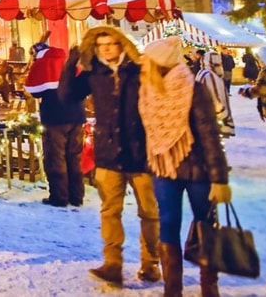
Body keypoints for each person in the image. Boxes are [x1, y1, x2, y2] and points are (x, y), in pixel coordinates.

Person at [62, 25, 160, 287]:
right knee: (109, 211)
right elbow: (67, 95)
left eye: (110, 43)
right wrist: (71, 62)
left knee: (149, 212)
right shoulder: (95, 74)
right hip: (108, 154)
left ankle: (151, 263)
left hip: (141, 154)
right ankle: (113, 264)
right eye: (101, 44)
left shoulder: (139, 71)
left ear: (121, 45)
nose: (105, 48)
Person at [138, 37, 231, 297]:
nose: (144, 64)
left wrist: (219, 179)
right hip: (163, 168)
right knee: (167, 223)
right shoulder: (147, 89)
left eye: (148, 59)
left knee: (205, 223)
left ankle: (209, 286)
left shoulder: (193, 88)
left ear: (160, 62)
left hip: (197, 170)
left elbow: (209, 135)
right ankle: (172, 288)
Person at [24, 33, 84, 207]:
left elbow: (32, 89)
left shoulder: (42, 64)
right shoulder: (68, 61)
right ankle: (76, 196)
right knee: (74, 156)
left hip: (55, 117)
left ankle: (59, 197)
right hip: (76, 115)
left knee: (55, 157)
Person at [198, 52, 235, 138]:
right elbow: (215, 99)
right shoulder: (210, 75)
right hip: (213, 119)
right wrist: (224, 115)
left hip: (206, 118)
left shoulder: (203, 72)